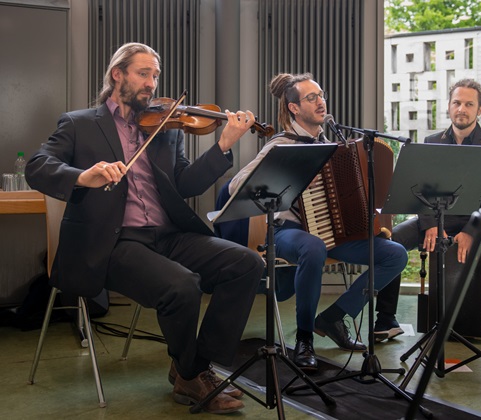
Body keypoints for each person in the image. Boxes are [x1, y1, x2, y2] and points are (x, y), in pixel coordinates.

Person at [25, 42, 264, 414]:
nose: (152, 83)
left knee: (247, 264)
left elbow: (185, 185)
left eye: (155, 75)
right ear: (117, 74)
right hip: (114, 242)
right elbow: (38, 166)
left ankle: (196, 365)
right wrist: (82, 177)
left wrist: (222, 146)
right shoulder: (79, 124)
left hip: (168, 235)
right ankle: (191, 375)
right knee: (182, 285)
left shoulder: (166, 127)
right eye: (143, 73)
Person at [228, 72, 408, 370]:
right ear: (294, 108)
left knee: (394, 254)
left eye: (321, 95)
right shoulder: (281, 145)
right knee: (312, 247)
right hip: (288, 231)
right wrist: (283, 181)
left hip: (333, 234)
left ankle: (333, 317)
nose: (320, 101)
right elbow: (236, 186)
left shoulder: (334, 146)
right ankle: (304, 339)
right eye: (311, 98)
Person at [375, 78, 481, 360]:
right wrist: (430, 224)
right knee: (392, 241)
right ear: (448, 106)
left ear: (479, 110)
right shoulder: (432, 142)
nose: (462, 109)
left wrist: (472, 230)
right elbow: (418, 188)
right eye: (457, 102)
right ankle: (386, 320)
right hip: (438, 216)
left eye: (469, 104)